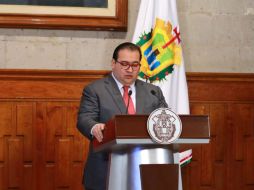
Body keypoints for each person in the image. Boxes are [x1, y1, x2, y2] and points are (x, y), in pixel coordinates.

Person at [77, 42, 168, 190]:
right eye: (124, 64)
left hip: (146, 167)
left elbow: (165, 119)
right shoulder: (95, 90)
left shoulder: (153, 91)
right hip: (106, 167)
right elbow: (84, 118)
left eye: (135, 65)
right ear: (113, 63)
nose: (130, 69)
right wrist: (94, 127)